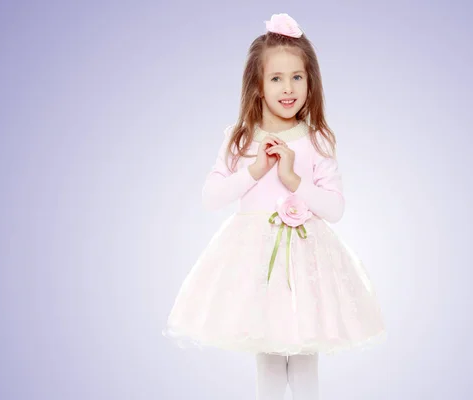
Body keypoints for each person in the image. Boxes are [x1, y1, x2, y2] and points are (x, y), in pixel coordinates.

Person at [162, 13, 387, 400]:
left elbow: (334, 209)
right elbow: (211, 197)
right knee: (267, 357)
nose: (288, 88)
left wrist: (293, 180)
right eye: (276, 78)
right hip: (254, 260)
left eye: (297, 77)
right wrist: (255, 170)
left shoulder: (317, 140)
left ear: (310, 82)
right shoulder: (241, 138)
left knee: (304, 360)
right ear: (258, 86)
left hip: (306, 259)